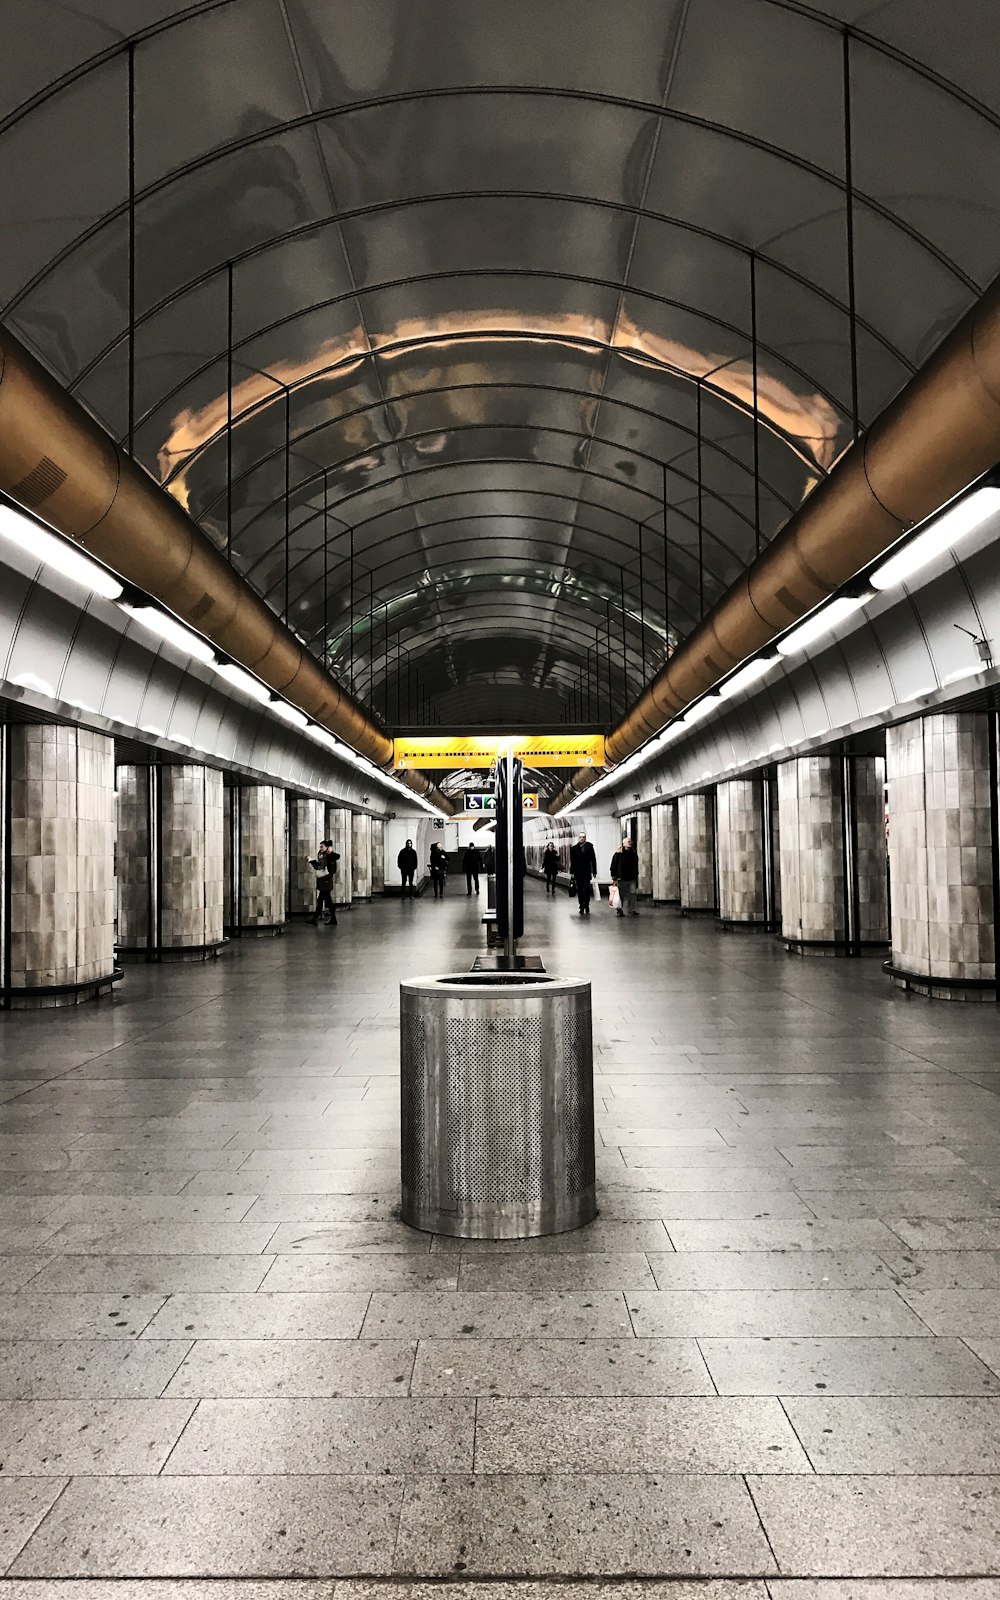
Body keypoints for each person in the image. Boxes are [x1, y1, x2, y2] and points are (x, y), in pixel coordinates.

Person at [309, 839, 339, 926]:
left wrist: (331, 851)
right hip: (323, 881)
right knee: (323, 900)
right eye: (320, 846)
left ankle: (318, 919)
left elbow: (335, 858)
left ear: (327, 847)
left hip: (326, 881)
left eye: (322, 846)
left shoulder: (329, 856)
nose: (320, 848)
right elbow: (319, 866)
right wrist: (313, 862)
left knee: (325, 901)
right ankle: (317, 919)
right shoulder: (322, 856)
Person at [569, 830, 598, 917]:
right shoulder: (574, 848)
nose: (582, 838)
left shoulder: (589, 847)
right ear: (578, 838)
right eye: (580, 837)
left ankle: (587, 905)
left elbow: (593, 860)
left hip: (586, 871)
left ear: (585, 838)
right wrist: (572, 872)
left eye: (583, 837)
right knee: (580, 890)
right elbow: (572, 861)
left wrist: (594, 871)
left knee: (587, 889)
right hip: (578, 872)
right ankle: (581, 906)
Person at [610, 835, 639, 917]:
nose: (630, 843)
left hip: (632, 877)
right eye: (628, 842)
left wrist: (636, 875)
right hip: (621, 877)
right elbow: (613, 866)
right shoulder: (618, 854)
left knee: (632, 893)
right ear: (624, 843)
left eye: (631, 841)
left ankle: (631, 909)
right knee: (621, 895)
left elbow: (635, 865)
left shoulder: (633, 853)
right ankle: (619, 909)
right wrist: (614, 877)